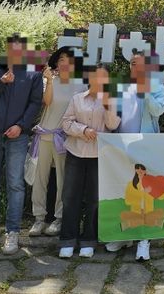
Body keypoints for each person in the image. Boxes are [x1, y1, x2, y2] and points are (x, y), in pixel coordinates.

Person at [0, 35, 43, 254]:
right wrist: (1, 83)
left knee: (15, 184)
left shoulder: (33, 74)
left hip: (18, 135)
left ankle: (12, 232)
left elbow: (35, 104)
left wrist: (21, 126)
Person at [104, 51, 164, 261]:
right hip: (121, 146)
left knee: (144, 194)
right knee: (123, 192)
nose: (135, 67)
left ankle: (144, 239)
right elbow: (112, 117)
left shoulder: (156, 87)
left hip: (145, 146)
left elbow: (158, 111)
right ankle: (125, 235)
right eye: (132, 64)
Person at [58, 64, 121, 259]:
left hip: (98, 156)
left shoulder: (111, 100)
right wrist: (83, 130)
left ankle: (88, 240)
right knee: (70, 197)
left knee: (94, 199)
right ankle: (68, 239)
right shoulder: (77, 98)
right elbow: (66, 123)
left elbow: (113, 125)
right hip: (75, 152)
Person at [29, 47, 87, 237]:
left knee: (63, 179)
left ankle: (59, 218)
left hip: (64, 138)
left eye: (70, 60)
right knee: (40, 178)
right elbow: (46, 102)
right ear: (56, 62)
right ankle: (38, 218)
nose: (65, 63)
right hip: (44, 135)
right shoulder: (49, 81)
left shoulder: (81, 86)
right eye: (61, 59)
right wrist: (49, 81)